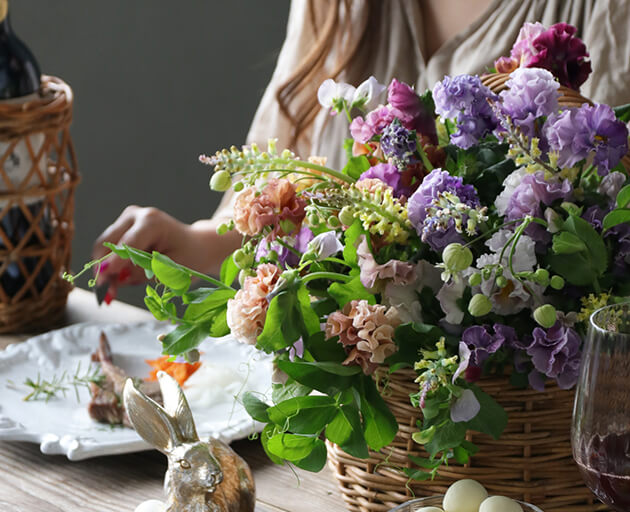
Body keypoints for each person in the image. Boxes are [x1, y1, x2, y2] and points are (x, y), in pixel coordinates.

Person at [92, 0, 630, 299]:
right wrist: (188, 243)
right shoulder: (337, 7)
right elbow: (278, 212)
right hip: (351, 458)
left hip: (537, 453)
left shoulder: (609, 14)